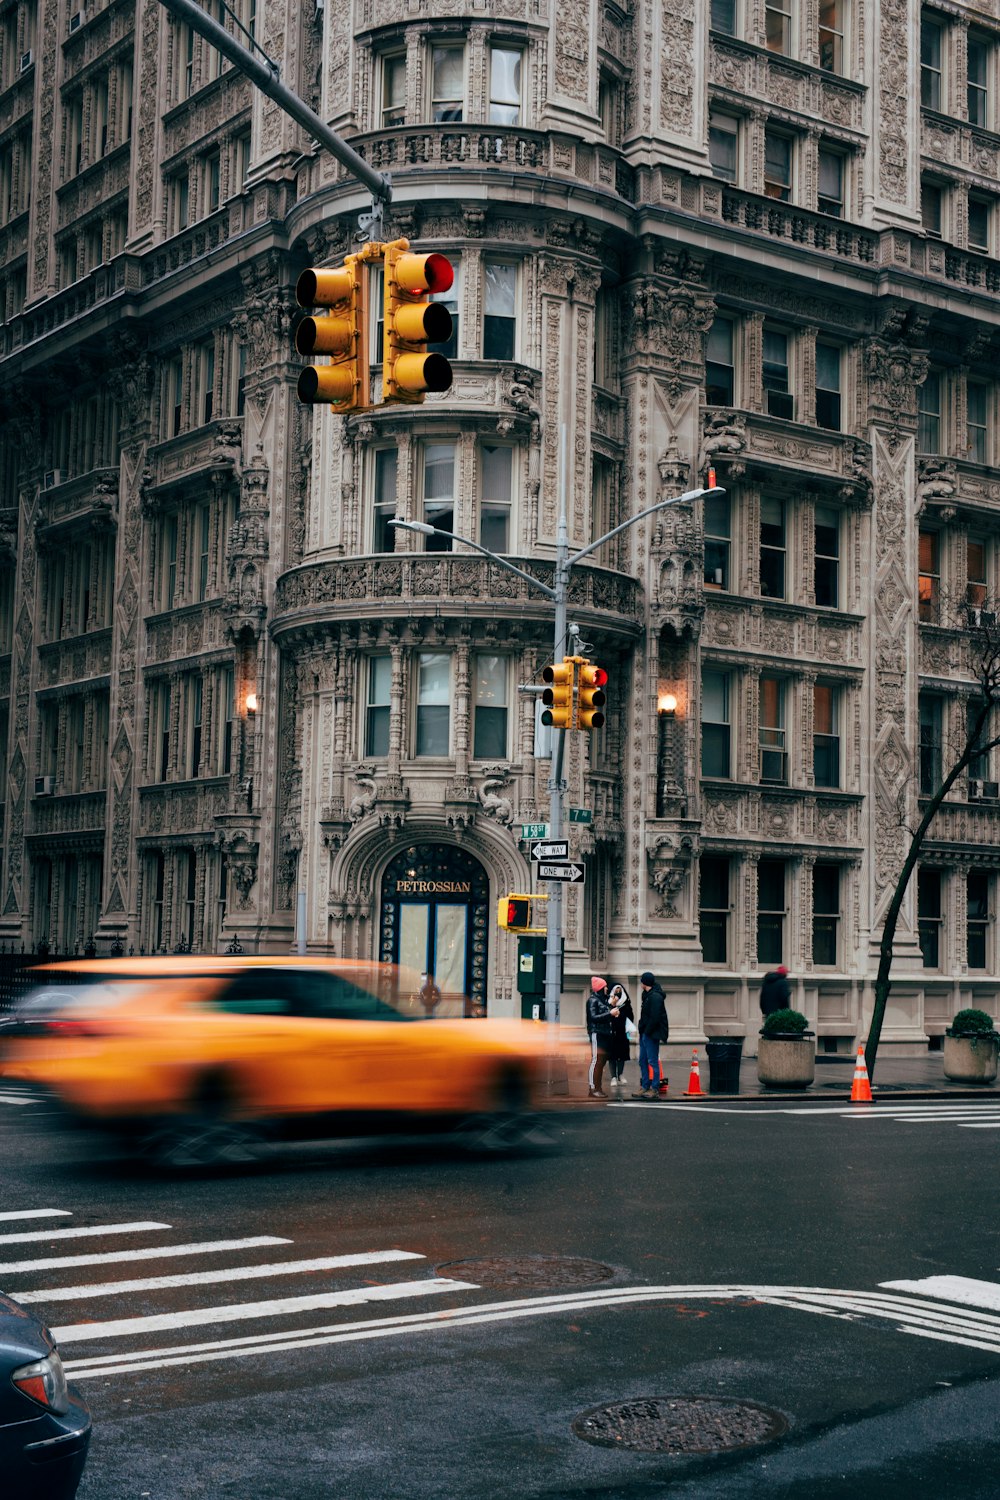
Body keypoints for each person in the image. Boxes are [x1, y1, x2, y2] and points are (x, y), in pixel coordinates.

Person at [636, 971, 669, 1100]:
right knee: (642, 1060)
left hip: (651, 1034)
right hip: (645, 1032)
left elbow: (655, 1017)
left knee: (652, 1061)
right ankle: (645, 1086)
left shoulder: (655, 997)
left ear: (645, 982)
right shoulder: (648, 995)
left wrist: (646, 1031)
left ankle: (654, 1088)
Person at [586, 976, 614, 1098]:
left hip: (604, 1033)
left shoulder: (602, 1000)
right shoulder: (592, 1000)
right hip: (596, 1033)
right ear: (600, 988)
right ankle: (592, 1088)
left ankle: (598, 1087)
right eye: (605, 986)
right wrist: (610, 1013)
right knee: (596, 1060)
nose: (607, 988)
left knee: (601, 1061)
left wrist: (611, 1009)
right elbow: (593, 1017)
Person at [604, 982, 634, 1092]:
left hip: (622, 1033)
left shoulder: (626, 1004)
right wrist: (612, 1005)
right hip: (611, 1033)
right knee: (612, 1056)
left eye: (619, 991)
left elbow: (631, 1017)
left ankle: (620, 1074)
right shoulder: (608, 1003)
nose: (618, 993)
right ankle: (613, 1077)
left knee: (621, 1055)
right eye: (615, 991)